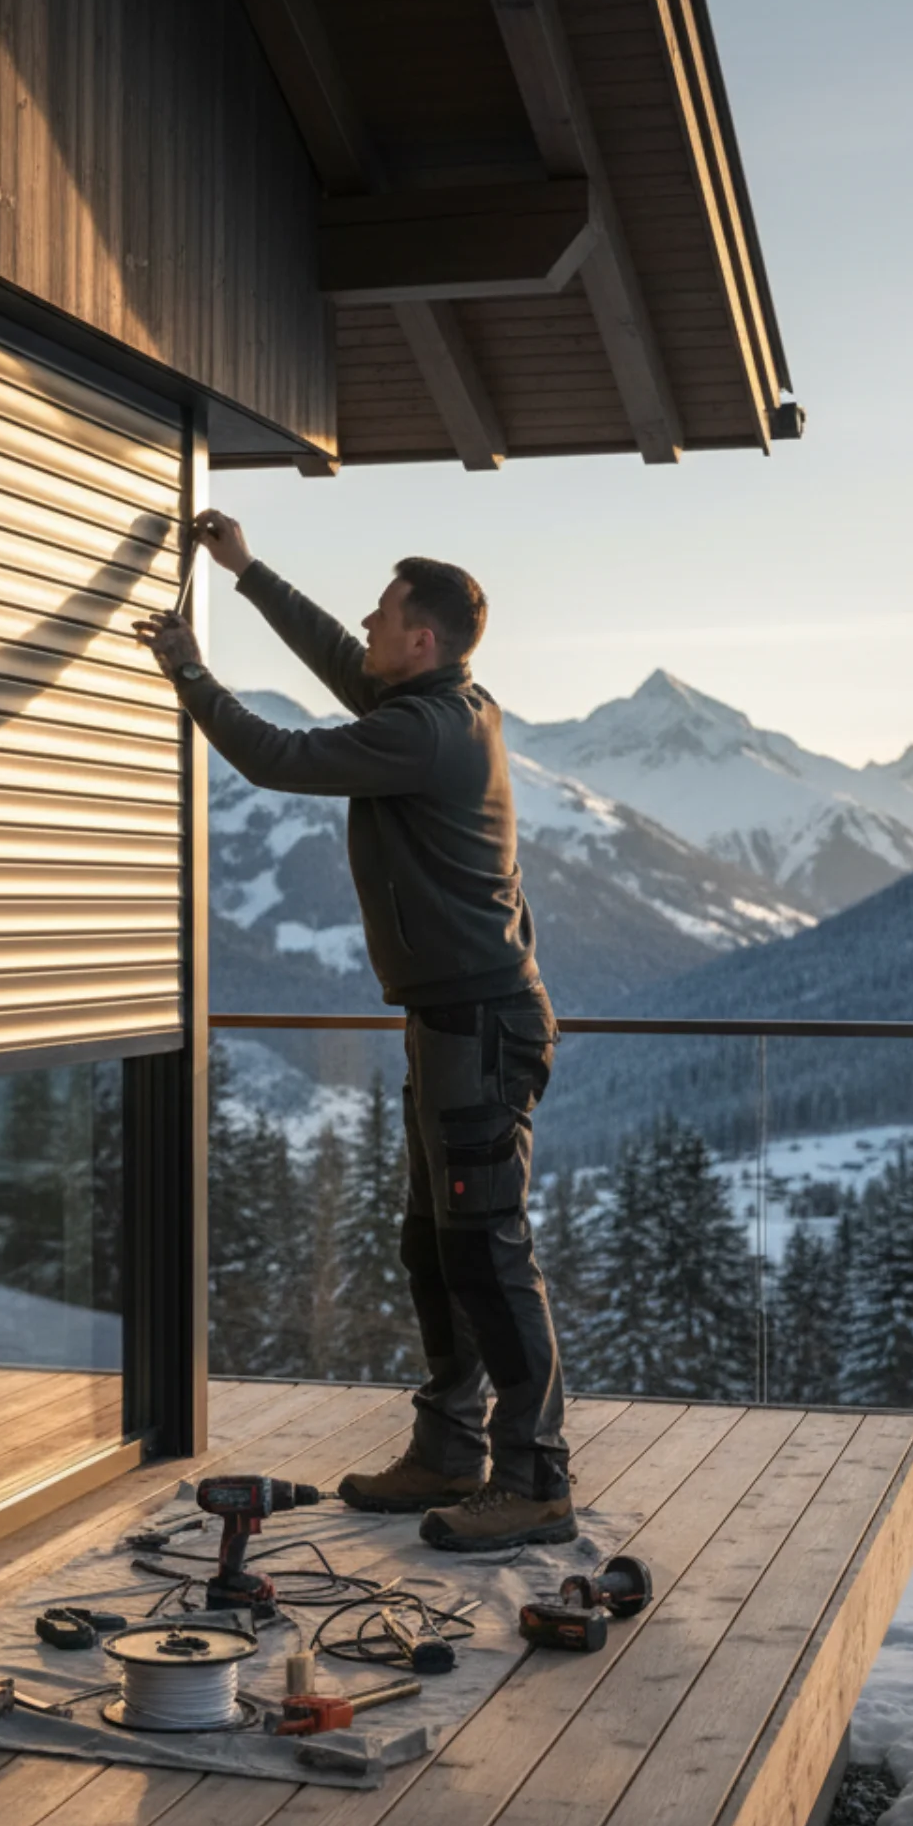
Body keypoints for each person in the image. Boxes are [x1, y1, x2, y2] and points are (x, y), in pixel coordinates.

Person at [133, 511, 571, 1551]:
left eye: (383, 615)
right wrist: (246, 573)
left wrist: (188, 671)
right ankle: (451, 1449)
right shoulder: (440, 703)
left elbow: (277, 756)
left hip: (478, 1022)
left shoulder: (425, 731)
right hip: (450, 1022)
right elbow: (340, 655)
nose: (368, 625)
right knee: (436, 1246)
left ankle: (536, 1480)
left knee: (488, 1254)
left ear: (419, 639)